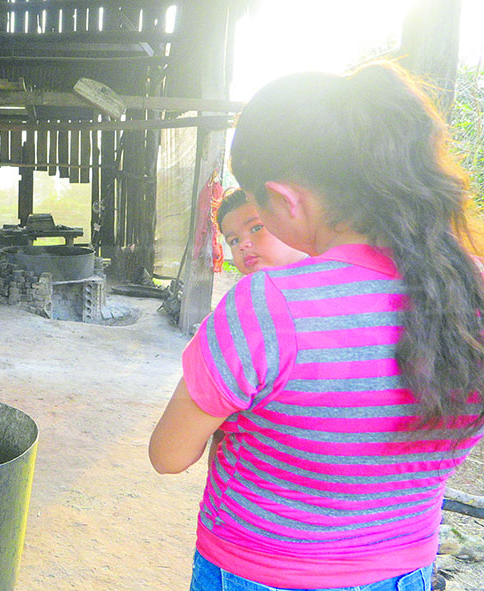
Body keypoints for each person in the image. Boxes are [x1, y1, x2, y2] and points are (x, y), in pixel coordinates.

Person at [148, 61, 484, 591]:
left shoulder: (268, 304)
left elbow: (168, 455)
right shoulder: (472, 288)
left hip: (259, 571)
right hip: (404, 571)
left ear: (286, 199)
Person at [216, 187, 307, 275]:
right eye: (234, 241)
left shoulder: (315, 275)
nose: (242, 245)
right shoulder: (250, 285)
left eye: (257, 228)